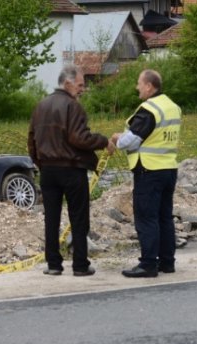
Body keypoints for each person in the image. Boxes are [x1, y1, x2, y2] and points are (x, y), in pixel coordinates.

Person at [27, 64, 115, 277]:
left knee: (51, 218)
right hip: (71, 169)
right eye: (80, 84)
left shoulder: (41, 106)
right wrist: (103, 141)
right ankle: (80, 265)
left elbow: (31, 141)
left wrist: (41, 163)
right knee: (78, 217)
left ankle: (54, 265)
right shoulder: (73, 106)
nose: (83, 89)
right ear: (67, 83)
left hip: (48, 171)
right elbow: (79, 138)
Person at [111, 69, 181, 278]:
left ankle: (148, 264)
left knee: (146, 218)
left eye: (139, 83)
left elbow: (130, 140)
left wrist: (116, 138)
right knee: (164, 217)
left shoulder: (149, 109)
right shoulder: (172, 107)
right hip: (169, 168)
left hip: (149, 170)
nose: (137, 87)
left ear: (149, 86)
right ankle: (167, 262)